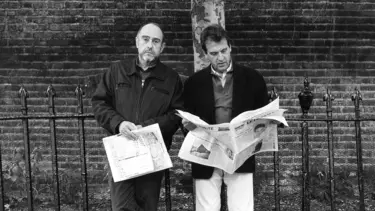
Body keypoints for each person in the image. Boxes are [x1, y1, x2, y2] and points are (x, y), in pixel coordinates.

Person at [91, 22, 183, 211]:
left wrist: (148, 127)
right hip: (122, 151)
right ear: (137, 42)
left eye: (156, 41)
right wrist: (119, 123)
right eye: (146, 39)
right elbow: (100, 103)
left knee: (147, 206)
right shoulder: (117, 71)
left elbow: (176, 115)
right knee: (122, 207)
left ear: (162, 47)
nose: (150, 45)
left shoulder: (171, 78)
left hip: (152, 152)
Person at [182, 24, 269, 211]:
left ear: (230, 47)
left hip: (240, 152)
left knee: (242, 207)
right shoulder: (193, 84)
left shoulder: (253, 79)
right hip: (206, 153)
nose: (220, 57)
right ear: (205, 54)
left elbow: (264, 115)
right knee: (206, 208)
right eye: (214, 53)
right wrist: (187, 126)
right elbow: (186, 119)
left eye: (223, 50)